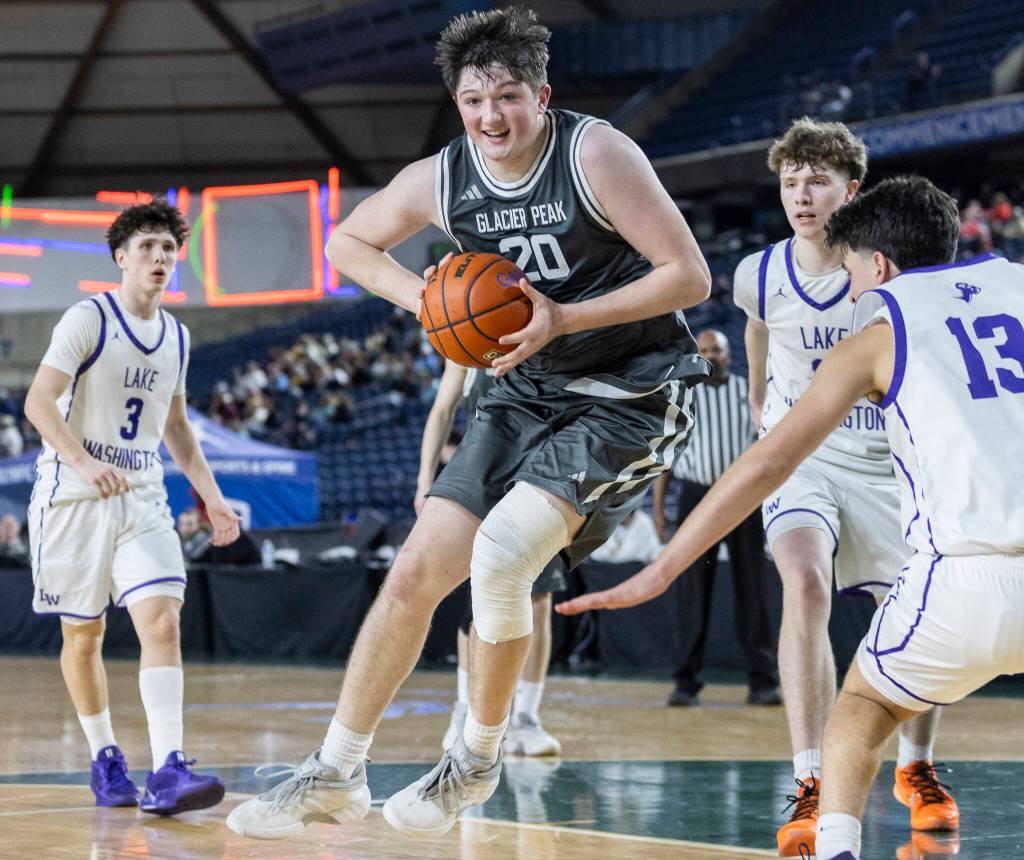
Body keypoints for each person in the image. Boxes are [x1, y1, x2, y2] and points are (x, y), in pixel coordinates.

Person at [226, 6, 711, 840]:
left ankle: (477, 759)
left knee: (500, 555)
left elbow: (690, 277)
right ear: (457, 102)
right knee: (414, 571)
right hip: (524, 388)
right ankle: (337, 772)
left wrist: (563, 319)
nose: (491, 117)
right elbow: (348, 244)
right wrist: (428, 300)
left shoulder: (596, 153)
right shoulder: (444, 176)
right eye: (474, 99)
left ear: (543, 95)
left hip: (630, 389)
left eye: (509, 96)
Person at [557, 175, 1024, 860]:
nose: (854, 291)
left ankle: (835, 847)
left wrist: (661, 569)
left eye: (855, 274)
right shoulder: (1015, 281)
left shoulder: (876, 331)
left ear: (881, 266)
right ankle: (917, 773)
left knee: (858, 718)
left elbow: (764, 467)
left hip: (968, 580)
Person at [731, 118, 955, 856]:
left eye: (817, 181)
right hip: (807, 458)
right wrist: (763, 396)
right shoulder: (758, 273)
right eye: (790, 181)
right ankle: (810, 779)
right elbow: (760, 324)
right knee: (803, 581)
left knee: (914, 614)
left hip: (886, 458)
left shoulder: (888, 268)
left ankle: (915, 766)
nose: (801, 195)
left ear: (850, 189)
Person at [23, 199, 239, 815]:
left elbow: (177, 428)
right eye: (146, 246)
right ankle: (104, 756)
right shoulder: (87, 318)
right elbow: (38, 403)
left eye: (168, 248)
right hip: (73, 494)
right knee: (84, 635)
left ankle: (169, 768)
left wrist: (215, 501)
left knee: (162, 619)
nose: (159, 258)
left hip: (143, 492)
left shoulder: (177, 334)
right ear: (121, 257)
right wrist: (83, 461)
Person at [417, 360, 564, 757]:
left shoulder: (545, 324)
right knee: (475, 602)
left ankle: (525, 719)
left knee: (539, 599)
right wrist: (424, 478)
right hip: (482, 475)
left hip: (542, 473)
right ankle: (466, 710)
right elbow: (443, 409)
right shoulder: (466, 341)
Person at [651, 329, 779, 708]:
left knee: (752, 590)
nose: (711, 355)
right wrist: (660, 510)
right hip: (695, 496)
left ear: (729, 354)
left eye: (718, 350)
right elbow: (665, 459)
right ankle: (686, 682)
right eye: (704, 350)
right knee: (692, 590)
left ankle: (762, 681)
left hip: (742, 497)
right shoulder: (683, 396)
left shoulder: (750, 391)